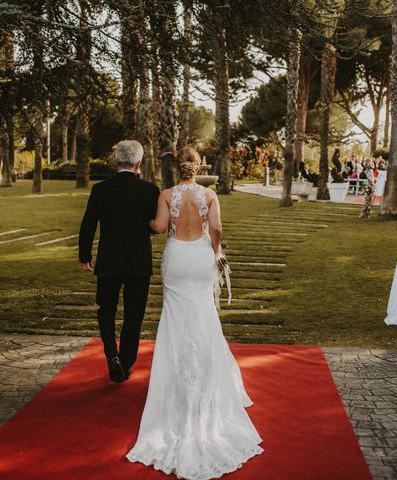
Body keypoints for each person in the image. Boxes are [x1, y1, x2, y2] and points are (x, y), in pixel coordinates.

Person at [127, 146, 263, 479]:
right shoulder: (209, 194)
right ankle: (205, 381)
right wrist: (215, 251)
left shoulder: (167, 194)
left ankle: (174, 386)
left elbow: (159, 228)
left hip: (176, 258)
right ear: (198, 166)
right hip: (201, 257)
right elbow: (215, 230)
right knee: (204, 317)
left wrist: (142, 219)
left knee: (174, 320)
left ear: (177, 167)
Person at [78, 140, 160, 383]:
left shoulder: (101, 189)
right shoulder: (150, 191)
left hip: (109, 261)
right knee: (134, 314)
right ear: (138, 164)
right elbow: (155, 227)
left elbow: (88, 225)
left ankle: (111, 355)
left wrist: (85, 256)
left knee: (106, 309)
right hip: (138, 263)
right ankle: (125, 362)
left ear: (116, 162)